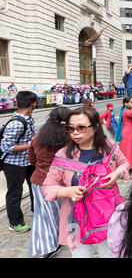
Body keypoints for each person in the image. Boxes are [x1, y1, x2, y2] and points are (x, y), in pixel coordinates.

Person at [42, 106, 130, 258]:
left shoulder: (110, 148)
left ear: (96, 126)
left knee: (110, 252)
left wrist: (118, 173)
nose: (75, 133)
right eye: (71, 128)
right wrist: (67, 191)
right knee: (80, 255)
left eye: (81, 128)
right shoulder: (63, 155)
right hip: (74, 216)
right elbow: (48, 187)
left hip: (107, 213)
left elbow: (124, 163)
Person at [28, 106, 71, 257]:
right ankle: (61, 239)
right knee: (63, 212)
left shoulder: (39, 135)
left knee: (43, 215)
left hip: (39, 181)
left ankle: (47, 245)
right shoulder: (70, 138)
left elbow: (31, 159)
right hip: (62, 183)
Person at [1, 91, 37, 233]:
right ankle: (15, 223)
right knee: (15, 193)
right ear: (33, 104)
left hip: (28, 162)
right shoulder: (17, 123)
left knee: (35, 187)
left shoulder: (28, 118)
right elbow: (6, 147)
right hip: (14, 165)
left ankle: (38, 211)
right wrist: (31, 145)